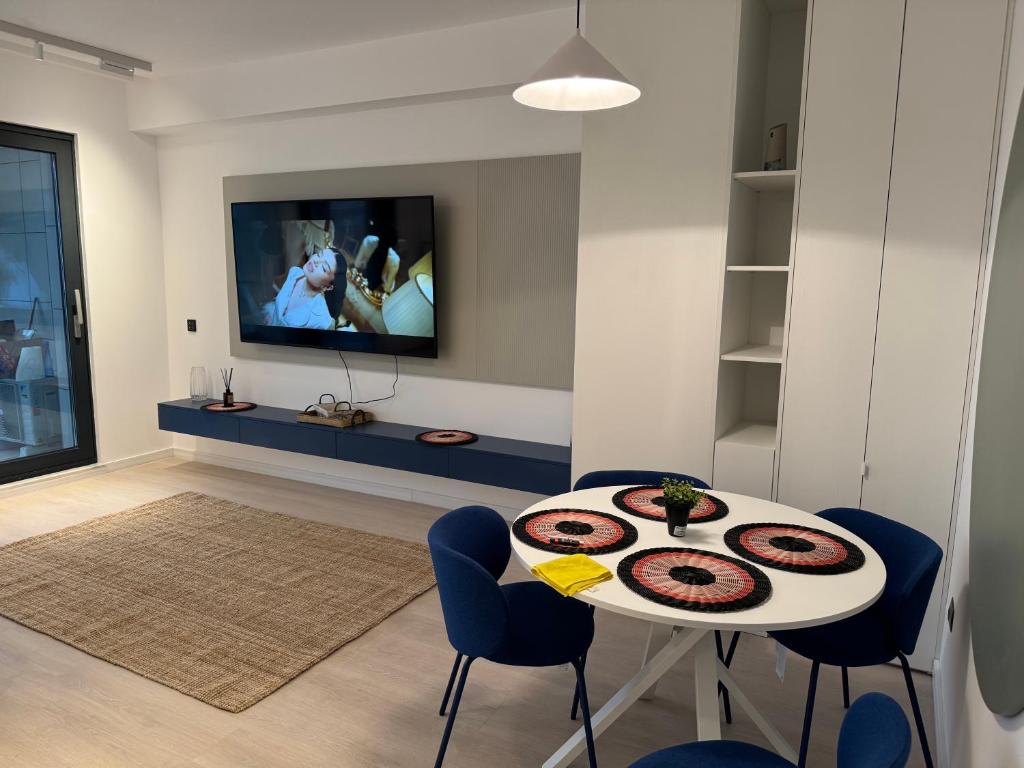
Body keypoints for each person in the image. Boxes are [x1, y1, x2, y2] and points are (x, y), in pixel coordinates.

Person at [265, 248, 338, 329]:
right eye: (319, 255)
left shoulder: (323, 321)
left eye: (324, 268)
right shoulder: (295, 272)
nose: (316, 261)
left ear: (327, 286)